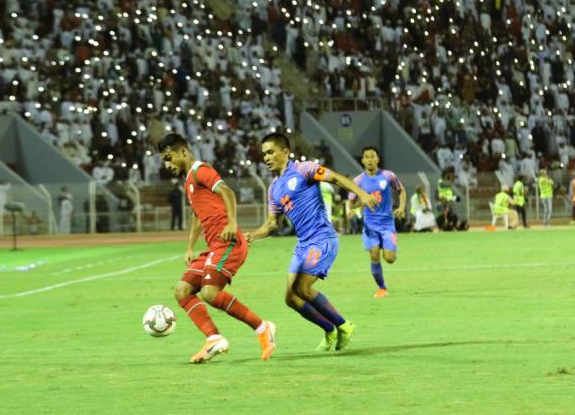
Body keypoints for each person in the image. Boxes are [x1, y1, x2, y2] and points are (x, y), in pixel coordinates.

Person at [246, 133, 377, 351]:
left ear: (285, 152)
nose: (266, 158)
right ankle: (330, 329)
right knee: (291, 298)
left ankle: (344, 325)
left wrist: (361, 193)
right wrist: (252, 236)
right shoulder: (273, 189)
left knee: (302, 287)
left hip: (322, 239)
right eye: (264, 154)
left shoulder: (303, 169)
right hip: (303, 245)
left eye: (270, 152)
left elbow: (334, 177)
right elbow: (272, 224)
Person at [158, 133, 276, 363]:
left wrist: (232, 223)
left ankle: (263, 327)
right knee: (182, 290)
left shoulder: (201, 170)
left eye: (169, 158)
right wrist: (190, 246)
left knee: (210, 293)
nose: (167, 164)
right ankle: (214, 338)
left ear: (183, 151)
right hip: (214, 246)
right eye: (164, 160)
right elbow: (196, 215)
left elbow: (228, 192)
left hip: (229, 243)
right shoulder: (189, 181)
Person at [347, 147, 407, 298]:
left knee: (390, 259)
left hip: (387, 224)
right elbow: (350, 199)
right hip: (370, 225)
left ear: (377, 159)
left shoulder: (388, 176)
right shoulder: (358, 180)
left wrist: (401, 207)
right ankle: (382, 288)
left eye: (372, 156)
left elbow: (401, 190)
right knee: (374, 255)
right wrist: (349, 209)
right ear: (362, 160)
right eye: (366, 157)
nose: (369, 160)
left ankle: (386, 244)